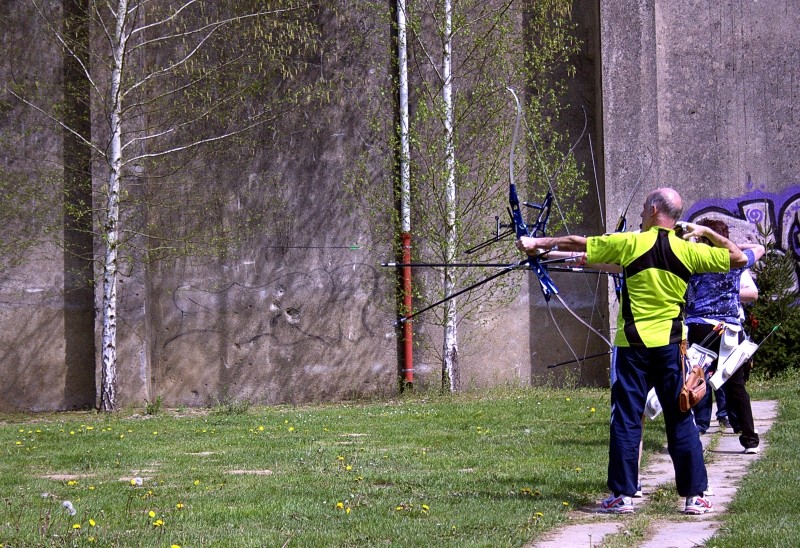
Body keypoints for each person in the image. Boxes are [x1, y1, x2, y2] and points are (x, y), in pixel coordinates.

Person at [516, 188, 748, 515]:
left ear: (654, 210)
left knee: (626, 420)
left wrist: (536, 243)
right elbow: (738, 257)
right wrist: (707, 232)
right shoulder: (688, 250)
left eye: (643, 208)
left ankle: (622, 497)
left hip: (632, 347)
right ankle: (695, 497)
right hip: (671, 347)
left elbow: (579, 242)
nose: (640, 213)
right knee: (680, 418)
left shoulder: (631, 243)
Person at [684, 219, 764, 452]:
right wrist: (726, 244)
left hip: (699, 327)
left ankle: (693, 433)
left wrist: (705, 241)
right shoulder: (734, 261)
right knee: (736, 385)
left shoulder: (694, 260)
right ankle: (750, 440)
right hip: (730, 330)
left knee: (695, 379)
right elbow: (759, 248)